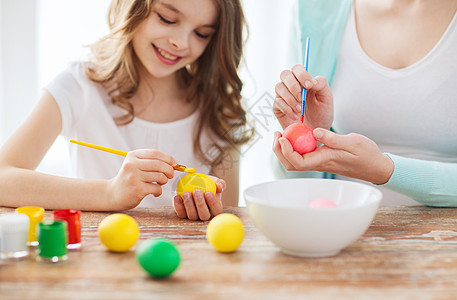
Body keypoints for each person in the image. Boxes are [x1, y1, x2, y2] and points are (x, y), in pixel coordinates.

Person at [0, 0, 252, 220]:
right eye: (167, 19)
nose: (180, 42)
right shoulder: (78, 88)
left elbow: (225, 215)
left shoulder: (221, 111)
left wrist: (210, 211)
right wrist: (110, 192)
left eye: (201, 33)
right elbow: (3, 178)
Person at [272, 0, 457, 206]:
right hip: (339, 230)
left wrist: (386, 170)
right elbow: (292, 185)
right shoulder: (315, 9)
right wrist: (306, 143)